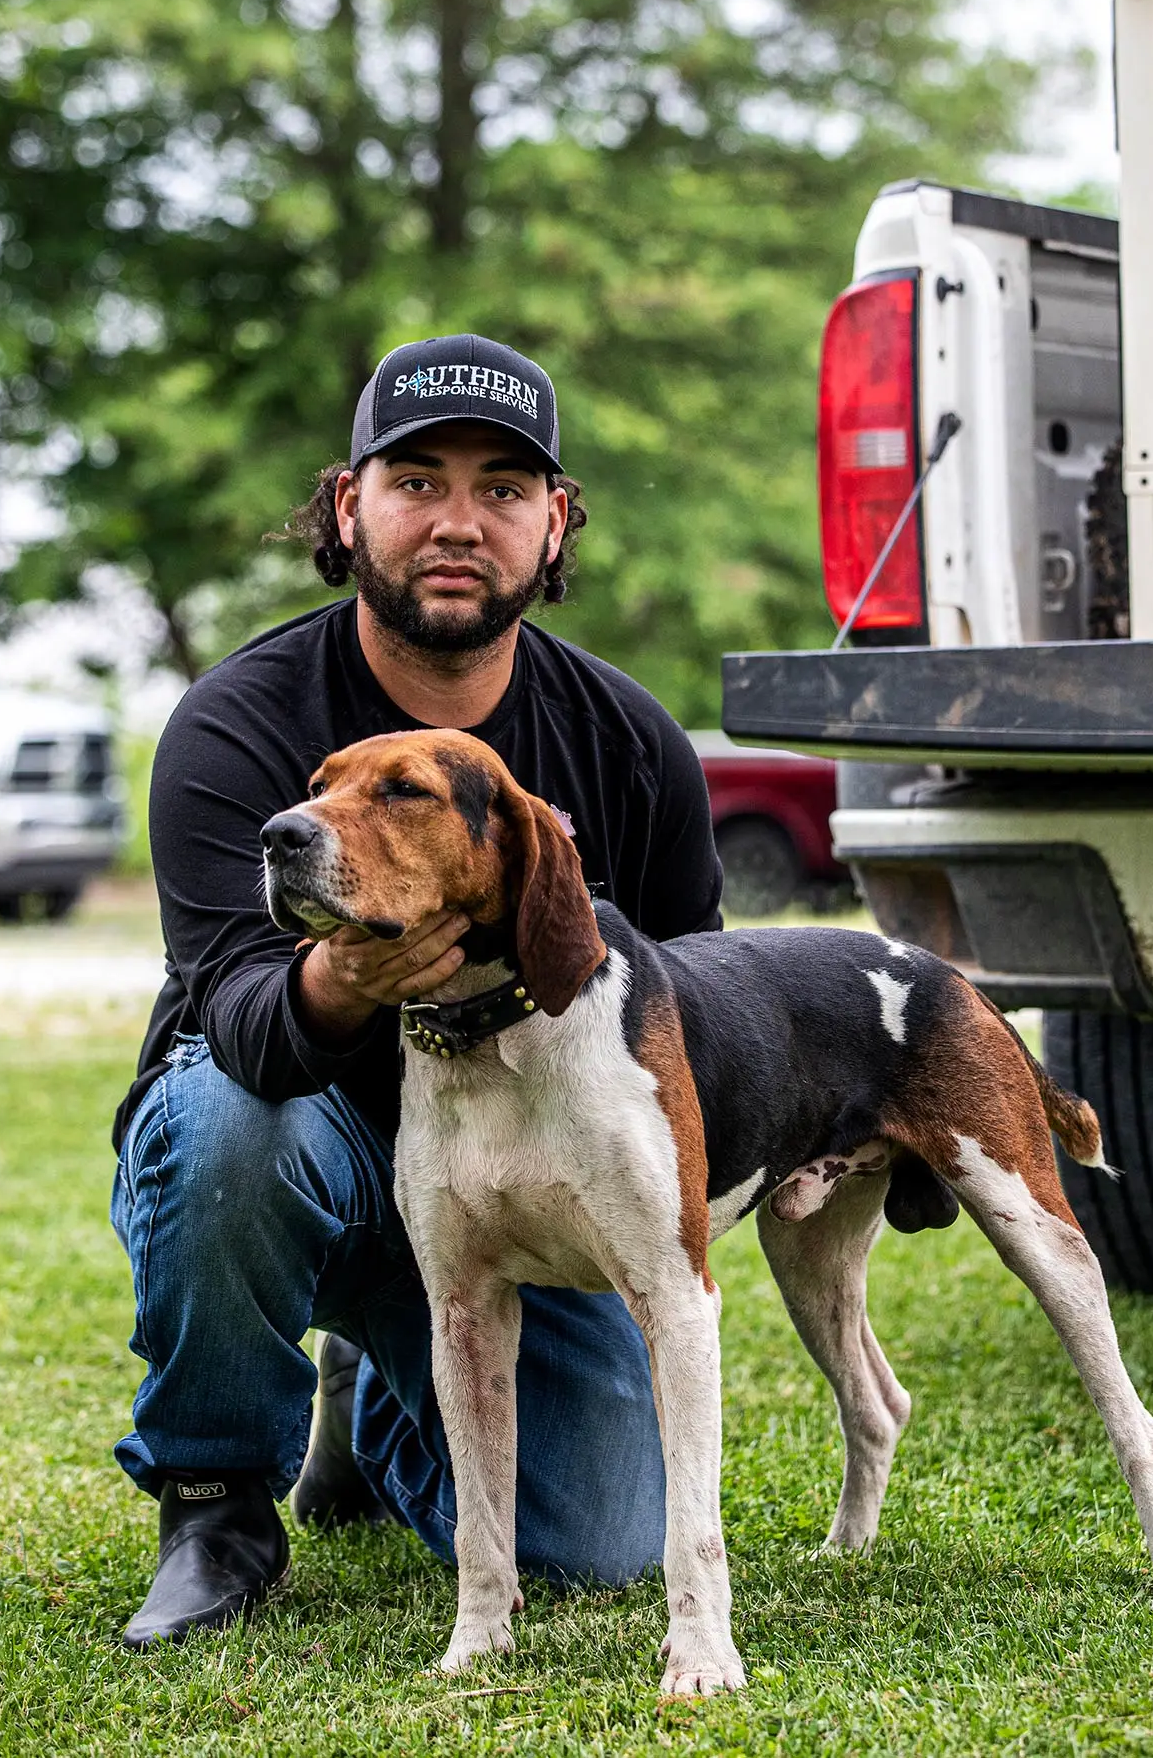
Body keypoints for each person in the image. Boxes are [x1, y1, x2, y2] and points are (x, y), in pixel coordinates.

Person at [110, 335, 725, 1648]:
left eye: (505, 488)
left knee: (597, 1545)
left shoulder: (629, 742)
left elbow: (688, 1014)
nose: (459, 520)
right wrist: (348, 970)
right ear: (349, 507)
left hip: (534, 1167)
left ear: (555, 526)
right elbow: (245, 1029)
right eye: (416, 479)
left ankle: (383, 1393)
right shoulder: (236, 728)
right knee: (225, 1126)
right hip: (306, 1137)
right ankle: (215, 1505)